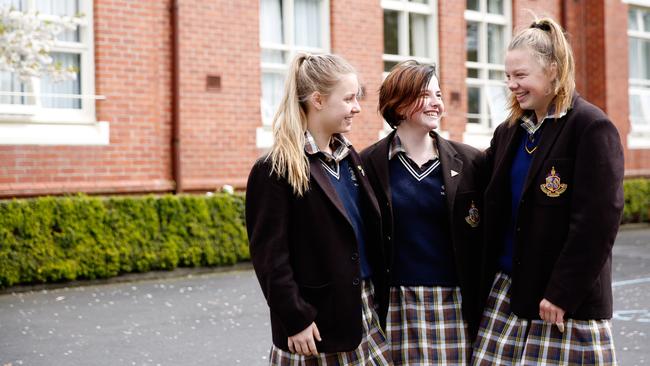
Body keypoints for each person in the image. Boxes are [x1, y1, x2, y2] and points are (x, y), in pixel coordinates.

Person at [472, 16, 623, 365]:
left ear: (553, 70)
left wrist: (562, 293)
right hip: (509, 294)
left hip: (562, 306)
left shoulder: (591, 127)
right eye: (508, 76)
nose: (512, 84)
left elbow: (597, 224)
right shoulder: (510, 131)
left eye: (521, 75)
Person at [245, 53, 392, 365]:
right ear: (318, 100)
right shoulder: (276, 168)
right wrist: (294, 319)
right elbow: (270, 258)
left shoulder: (351, 159)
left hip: (361, 310)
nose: (357, 107)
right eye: (349, 98)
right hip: (314, 324)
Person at [361, 60, 484, 365]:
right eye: (425, 95)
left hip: (453, 301)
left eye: (439, 95)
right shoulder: (369, 164)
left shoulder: (471, 161)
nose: (436, 103)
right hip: (396, 303)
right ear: (399, 104)